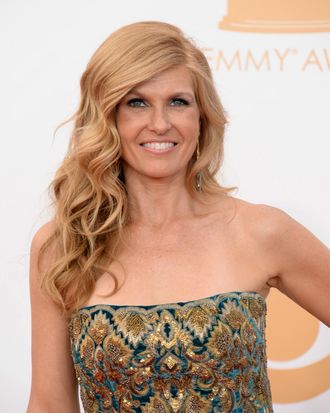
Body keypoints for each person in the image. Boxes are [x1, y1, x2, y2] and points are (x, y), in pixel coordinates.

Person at [27, 21, 330, 413]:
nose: (159, 123)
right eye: (136, 102)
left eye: (178, 102)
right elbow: (51, 404)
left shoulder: (260, 231)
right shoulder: (64, 247)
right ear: (108, 118)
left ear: (201, 117)